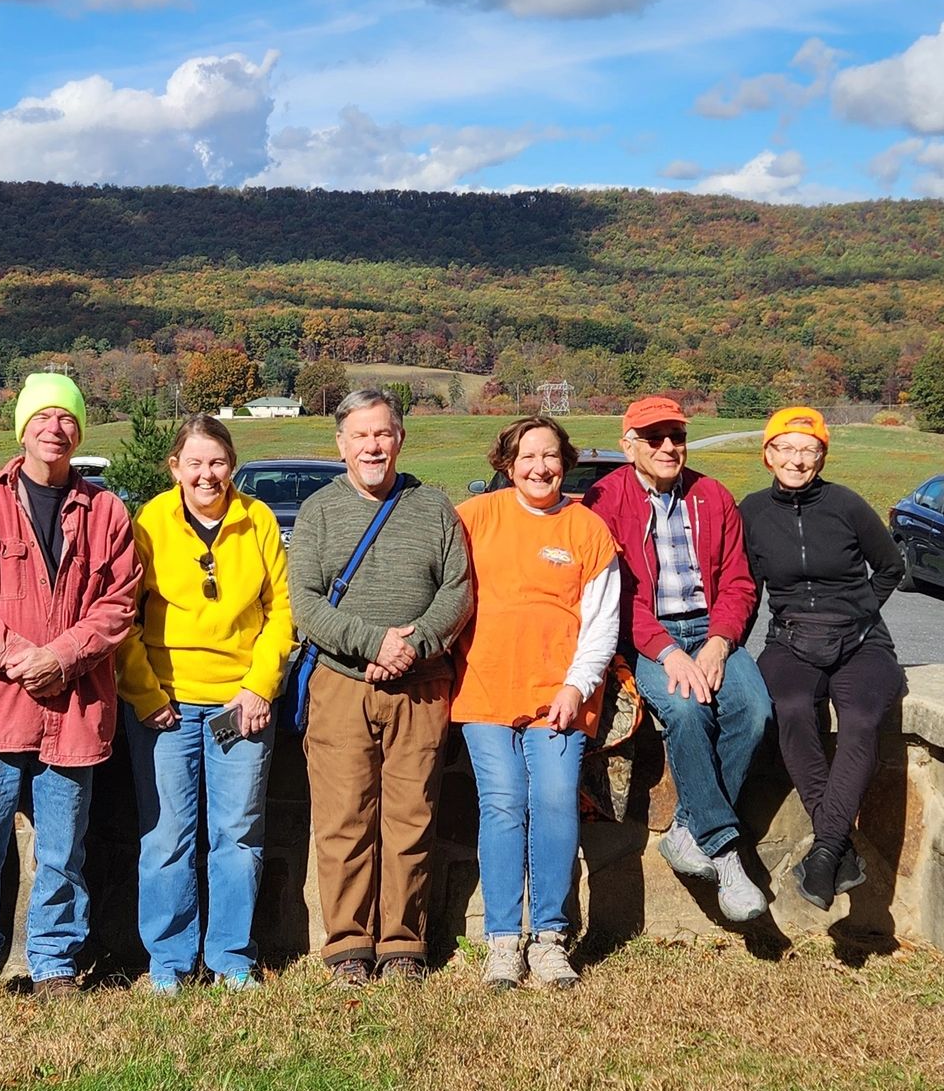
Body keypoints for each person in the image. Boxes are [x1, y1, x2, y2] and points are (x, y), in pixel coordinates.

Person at [0, 373, 141, 995]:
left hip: (74, 710)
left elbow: (120, 603)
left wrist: (63, 656)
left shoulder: (106, 511)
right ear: (22, 427)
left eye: (67, 418)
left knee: (62, 851)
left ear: (80, 430)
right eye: (42, 418)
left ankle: (53, 960)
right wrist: (21, 657)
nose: (55, 429)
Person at [288, 387, 474, 984]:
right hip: (342, 685)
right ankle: (347, 945)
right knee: (343, 819)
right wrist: (374, 644)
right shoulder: (318, 510)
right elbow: (306, 605)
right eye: (360, 435)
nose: (373, 445)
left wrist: (412, 646)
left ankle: (403, 945)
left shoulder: (433, 507)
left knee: (411, 816)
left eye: (383, 433)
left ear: (400, 438)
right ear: (341, 444)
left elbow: (458, 591)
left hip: (421, 688)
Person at [115, 414, 294, 991]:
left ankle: (232, 956)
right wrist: (145, 695)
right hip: (164, 706)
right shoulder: (149, 523)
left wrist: (258, 687)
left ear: (232, 465)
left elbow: (281, 614)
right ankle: (169, 962)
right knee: (167, 835)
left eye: (216, 462)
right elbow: (125, 618)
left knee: (237, 833)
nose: (206, 474)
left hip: (239, 706)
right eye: (194, 463)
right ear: (175, 468)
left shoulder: (258, 520)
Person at [585, 396, 773, 923]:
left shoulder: (712, 495)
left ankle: (690, 830)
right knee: (687, 711)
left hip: (710, 630)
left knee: (753, 711)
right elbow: (616, 594)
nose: (669, 446)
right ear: (630, 445)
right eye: (654, 437)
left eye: (677, 436)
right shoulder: (606, 498)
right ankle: (726, 852)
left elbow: (739, 581)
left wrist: (719, 641)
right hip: (650, 634)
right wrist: (667, 652)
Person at [450, 416, 621, 990]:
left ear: (565, 462)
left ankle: (549, 938)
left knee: (552, 803)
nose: (540, 467)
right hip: (485, 689)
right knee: (502, 805)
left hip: (560, 697)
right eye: (527, 457)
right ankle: (502, 940)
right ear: (506, 463)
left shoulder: (587, 529)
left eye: (550, 456)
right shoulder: (474, 518)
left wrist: (576, 686)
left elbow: (602, 622)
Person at [738, 407, 905, 911]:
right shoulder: (751, 512)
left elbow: (891, 566)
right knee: (790, 709)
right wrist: (726, 650)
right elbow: (746, 588)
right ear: (767, 454)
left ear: (822, 456)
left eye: (808, 450)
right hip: (790, 638)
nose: (796, 459)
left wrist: (860, 613)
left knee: (859, 719)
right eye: (785, 448)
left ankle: (826, 848)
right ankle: (837, 847)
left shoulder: (847, 506)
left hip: (861, 640)